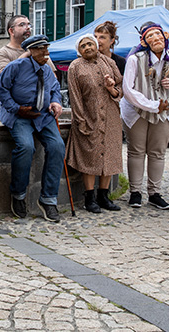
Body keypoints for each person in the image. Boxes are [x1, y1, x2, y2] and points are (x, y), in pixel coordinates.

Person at [0, 34, 65, 222]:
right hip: (20, 114)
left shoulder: (48, 70)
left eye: (46, 49)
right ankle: (18, 195)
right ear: (31, 51)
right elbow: (1, 89)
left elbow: (55, 90)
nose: (46, 53)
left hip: (43, 116)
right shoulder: (15, 67)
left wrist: (56, 102)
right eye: (42, 50)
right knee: (26, 147)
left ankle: (48, 199)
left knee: (57, 147)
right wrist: (16, 108)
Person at [121, 23, 169, 210]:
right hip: (137, 110)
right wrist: (152, 105)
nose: (156, 39)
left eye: (158, 35)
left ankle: (155, 193)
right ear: (144, 41)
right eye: (150, 36)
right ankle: (135, 192)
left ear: (165, 36)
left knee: (158, 152)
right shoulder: (135, 59)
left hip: (166, 111)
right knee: (136, 150)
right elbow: (128, 89)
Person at [65, 34, 124, 214]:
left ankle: (103, 196)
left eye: (90, 44)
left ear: (97, 45)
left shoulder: (108, 62)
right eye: (83, 46)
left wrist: (111, 87)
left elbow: (120, 87)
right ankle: (90, 197)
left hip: (111, 116)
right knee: (90, 157)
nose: (88, 48)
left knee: (110, 155)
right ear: (79, 51)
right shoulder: (75, 67)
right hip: (89, 117)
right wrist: (81, 121)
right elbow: (74, 96)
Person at [0, 15, 56, 80]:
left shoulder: (39, 51)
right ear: (11, 31)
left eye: (29, 25)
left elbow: (53, 78)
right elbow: (4, 79)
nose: (28, 27)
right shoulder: (3, 53)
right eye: (22, 25)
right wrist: (24, 56)